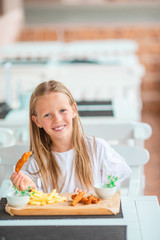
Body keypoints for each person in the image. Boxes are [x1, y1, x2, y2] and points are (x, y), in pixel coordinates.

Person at [10, 80, 131, 193]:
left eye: (62, 110)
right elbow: (36, 198)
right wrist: (29, 189)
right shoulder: (36, 163)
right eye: (47, 115)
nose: (57, 119)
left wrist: (95, 195)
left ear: (74, 110)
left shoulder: (97, 148)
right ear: (37, 121)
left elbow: (115, 182)